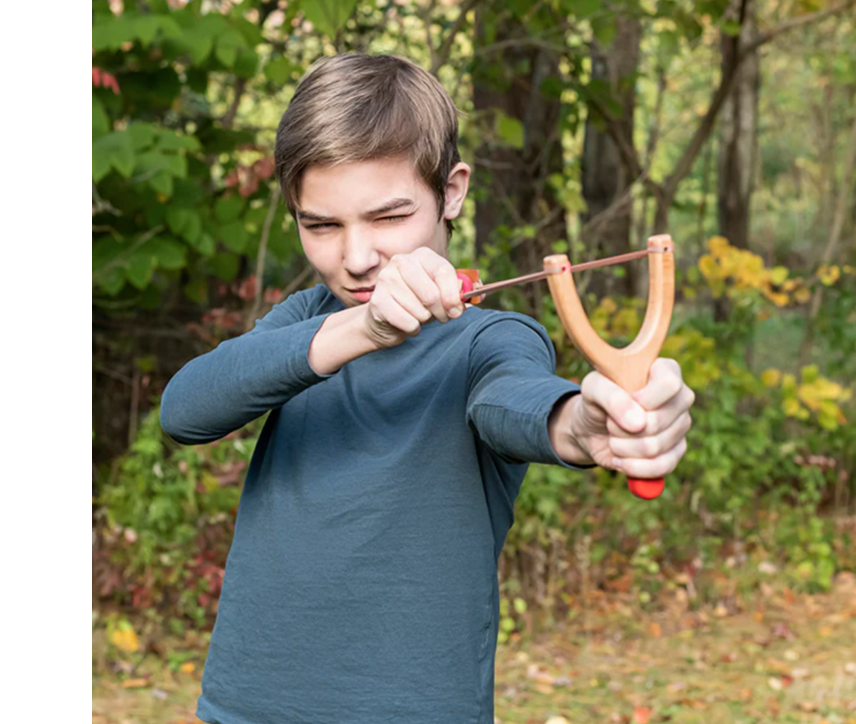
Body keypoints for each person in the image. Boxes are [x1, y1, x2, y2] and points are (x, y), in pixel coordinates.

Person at [160, 52, 694, 723]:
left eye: (388, 217)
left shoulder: (491, 340)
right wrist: (365, 329)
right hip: (246, 709)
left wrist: (583, 424)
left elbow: (519, 403)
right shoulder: (302, 322)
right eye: (320, 225)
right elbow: (185, 409)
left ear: (453, 191)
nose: (356, 258)